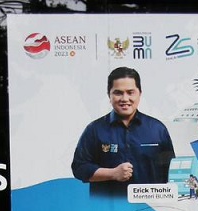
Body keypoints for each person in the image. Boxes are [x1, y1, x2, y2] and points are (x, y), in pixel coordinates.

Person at [71, 67, 175, 195]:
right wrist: (113, 174)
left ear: (140, 93)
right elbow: (79, 168)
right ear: (109, 95)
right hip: (108, 209)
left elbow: (172, 172)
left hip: (149, 209)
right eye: (118, 93)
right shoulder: (94, 130)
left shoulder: (157, 129)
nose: (125, 99)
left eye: (130, 92)